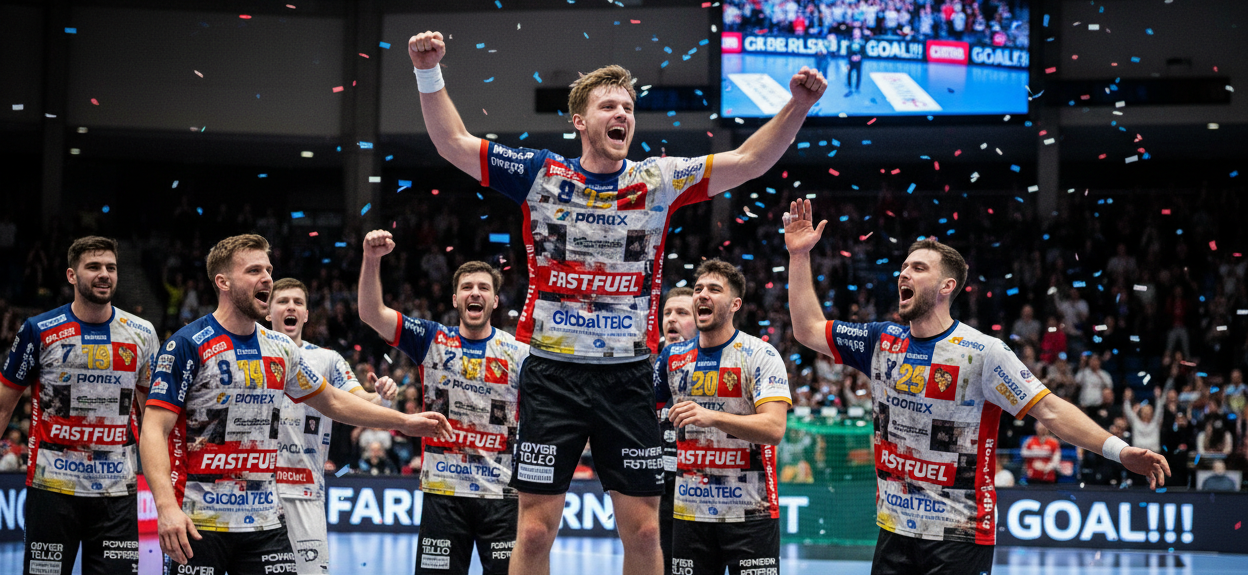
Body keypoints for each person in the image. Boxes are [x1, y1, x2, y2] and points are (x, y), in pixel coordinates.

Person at [407, 29, 827, 575]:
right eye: (608, 105)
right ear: (580, 120)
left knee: (648, 530)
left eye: (628, 106)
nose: (622, 113)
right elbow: (453, 143)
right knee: (533, 532)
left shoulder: (659, 179)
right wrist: (428, 70)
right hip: (552, 376)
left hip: (626, 377)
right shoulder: (541, 174)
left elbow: (749, 159)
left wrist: (796, 105)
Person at [782, 200, 1169, 574]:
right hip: (893, 532)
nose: (904, 274)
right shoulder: (881, 340)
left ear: (947, 285)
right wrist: (799, 256)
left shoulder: (983, 352)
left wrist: (1120, 451)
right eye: (903, 267)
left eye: (918, 268)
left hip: (959, 537)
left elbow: (1049, 410)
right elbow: (808, 330)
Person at [140, 234, 454, 574]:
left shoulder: (280, 349)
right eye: (254, 270)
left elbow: (333, 401)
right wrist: (166, 507)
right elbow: (154, 429)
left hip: (265, 522)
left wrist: (403, 422)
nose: (266, 279)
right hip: (199, 520)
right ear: (223, 282)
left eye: (268, 269)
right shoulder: (186, 345)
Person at [359, 233, 530, 575]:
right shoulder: (431, 339)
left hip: (503, 496)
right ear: (456, 298)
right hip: (444, 493)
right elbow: (370, 312)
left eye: (483, 287)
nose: (475, 293)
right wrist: (372, 258)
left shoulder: (519, 353)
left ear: (495, 301)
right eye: (467, 287)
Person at [0, 236, 160, 575]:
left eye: (111, 268)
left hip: (118, 492)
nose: (104, 274)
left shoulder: (142, 333)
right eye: (94, 267)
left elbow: (153, 419)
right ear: (72, 275)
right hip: (52, 489)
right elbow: (3, 406)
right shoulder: (38, 330)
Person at [654, 260, 790, 575]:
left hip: (751, 514)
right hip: (690, 514)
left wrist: (711, 417)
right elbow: (641, 410)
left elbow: (774, 428)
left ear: (734, 305)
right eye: (699, 289)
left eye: (714, 290)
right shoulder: (672, 358)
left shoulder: (760, 355)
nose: (702, 295)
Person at [266, 277, 399, 574]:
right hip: (257, 493)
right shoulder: (251, 355)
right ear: (267, 311)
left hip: (306, 492)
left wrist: (383, 396)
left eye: (298, 302)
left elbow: (360, 402)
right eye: (283, 301)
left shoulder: (327, 360)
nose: (291, 307)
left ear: (306, 314)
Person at [656, 286, 696, 575]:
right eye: (667, 313)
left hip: (698, 491)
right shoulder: (646, 367)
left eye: (682, 313)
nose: (671, 319)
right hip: (656, 491)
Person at [845, 26, 865, 96]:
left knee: (858, 73)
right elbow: (848, 51)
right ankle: (849, 85)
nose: (856, 34)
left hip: (859, 61)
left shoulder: (862, 42)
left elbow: (864, 52)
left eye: (857, 33)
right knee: (849, 72)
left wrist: (860, 56)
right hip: (851, 60)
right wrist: (851, 57)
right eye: (855, 33)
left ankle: (857, 87)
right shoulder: (850, 42)